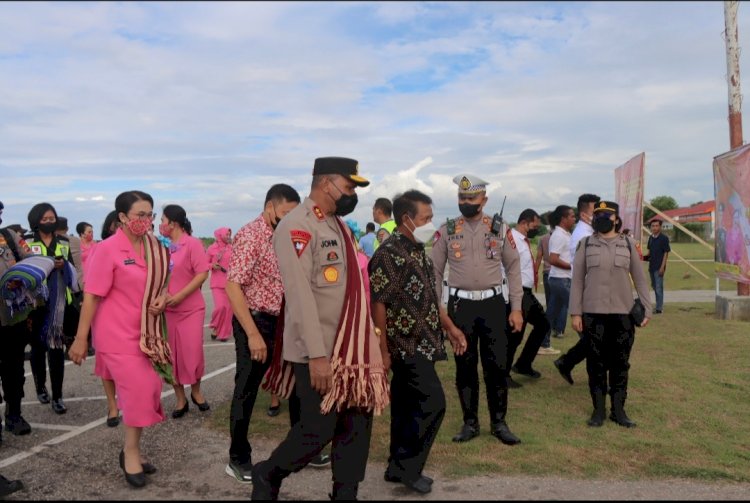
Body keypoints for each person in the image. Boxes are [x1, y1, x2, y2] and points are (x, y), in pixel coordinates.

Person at [252, 157, 389, 501]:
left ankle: (345, 493)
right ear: (326, 184)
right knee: (317, 429)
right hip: (321, 351)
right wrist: (317, 356)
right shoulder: (297, 226)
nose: (351, 194)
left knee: (356, 423)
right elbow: (299, 298)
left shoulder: (338, 224)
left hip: (351, 351)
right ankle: (269, 473)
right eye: (348, 187)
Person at [68, 190, 170, 488]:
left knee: (150, 388)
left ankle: (133, 448)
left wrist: (163, 299)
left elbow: (162, 283)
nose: (147, 220)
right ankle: (131, 452)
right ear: (122, 218)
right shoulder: (108, 249)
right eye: (140, 215)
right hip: (115, 333)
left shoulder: (155, 246)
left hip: (146, 331)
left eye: (150, 214)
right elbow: (92, 296)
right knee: (140, 389)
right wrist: (80, 338)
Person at [432, 174, 523, 446]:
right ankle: (470, 423)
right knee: (465, 366)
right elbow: (434, 271)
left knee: (496, 366)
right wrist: (440, 310)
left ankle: (499, 423)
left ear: (484, 199)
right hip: (461, 307)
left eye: (471, 198)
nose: (466, 202)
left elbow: (514, 267)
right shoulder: (447, 229)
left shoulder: (498, 228)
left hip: (494, 305)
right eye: (461, 198)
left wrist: (516, 308)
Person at [369, 189, 446, 495]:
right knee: (433, 404)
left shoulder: (417, 250)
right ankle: (410, 470)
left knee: (405, 408)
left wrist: (449, 328)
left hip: (424, 343)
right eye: (426, 218)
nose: (431, 224)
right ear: (406, 219)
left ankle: (396, 467)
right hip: (405, 346)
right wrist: (383, 351)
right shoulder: (388, 254)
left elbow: (429, 296)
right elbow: (379, 305)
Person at [224, 183, 302, 483]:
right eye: (285, 213)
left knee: (297, 383)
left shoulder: (285, 235)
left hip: (283, 321)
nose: (289, 219)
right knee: (247, 389)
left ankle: (300, 448)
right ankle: (238, 458)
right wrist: (253, 335)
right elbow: (233, 286)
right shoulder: (251, 234)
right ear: (270, 206)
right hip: (256, 322)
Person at [569, 201, 652, 427]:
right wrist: (575, 313)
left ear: (616, 219)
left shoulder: (628, 244)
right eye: (597, 215)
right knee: (595, 364)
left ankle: (618, 410)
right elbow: (576, 281)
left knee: (620, 364)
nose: (601, 219)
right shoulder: (585, 245)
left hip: (622, 315)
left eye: (606, 215)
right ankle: (598, 411)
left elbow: (640, 278)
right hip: (593, 315)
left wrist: (647, 308)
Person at [26, 202, 78, 414]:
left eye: (52, 218)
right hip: (35, 303)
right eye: (45, 219)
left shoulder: (64, 241)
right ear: (36, 220)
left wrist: (62, 265)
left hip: (59, 303)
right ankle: (40, 387)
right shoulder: (27, 242)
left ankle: (58, 395)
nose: (49, 222)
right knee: (37, 348)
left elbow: (72, 268)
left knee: (56, 349)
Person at [158, 204, 211, 417]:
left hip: (191, 309)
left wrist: (179, 296)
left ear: (174, 223)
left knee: (192, 353)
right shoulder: (161, 246)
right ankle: (180, 399)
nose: (160, 224)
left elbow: (202, 274)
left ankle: (196, 392)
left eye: (163, 220)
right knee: (172, 356)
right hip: (168, 311)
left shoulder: (192, 244)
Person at [551, 193, 600, 384]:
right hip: (586, 291)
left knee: (592, 337)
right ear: (584, 214)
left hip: (591, 290)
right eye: (595, 211)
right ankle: (570, 363)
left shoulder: (587, 232)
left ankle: (566, 362)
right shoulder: (583, 235)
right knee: (593, 337)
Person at [0, 201, 34, 437]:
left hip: (13, 316)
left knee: (14, 368)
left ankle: (14, 415)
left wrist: (23, 277)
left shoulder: (10, 236)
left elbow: (31, 261)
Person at [506, 209, 549, 386]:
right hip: (518, 292)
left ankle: (523, 363)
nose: (535, 229)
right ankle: (504, 373)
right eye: (534, 226)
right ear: (525, 223)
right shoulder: (512, 240)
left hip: (526, 293)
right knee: (515, 334)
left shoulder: (523, 241)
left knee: (543, 324)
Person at [540, 205, 576, 355]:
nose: (575, 219)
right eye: (572, 216)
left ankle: (543, 344)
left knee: (551, 315)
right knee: (577, 311)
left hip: (559, 279)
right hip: (561, 280)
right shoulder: (559, 236)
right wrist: (571, 267)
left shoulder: (565, 234)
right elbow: (553, 259)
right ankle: (591, 345)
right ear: (563, 219)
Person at [206, 227, 233, 342]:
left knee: (228, 310)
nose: (228, 237)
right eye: (226, 234)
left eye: (229, 235)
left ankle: (223, 334)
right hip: (217, 283)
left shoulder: (232, 248)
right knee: (220, 307)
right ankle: (215, 325)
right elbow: (203, 263)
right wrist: (212, 266)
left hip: (230, 283)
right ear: (220, 235)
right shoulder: (211, 249)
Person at [643, 219, 670, 314]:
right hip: (652, 267)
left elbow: (666, 253)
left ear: (660, 227)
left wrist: (662, 267)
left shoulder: (664, 238)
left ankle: (659, 308)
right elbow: (649, 252)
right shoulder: (650, 238)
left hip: (659, 267)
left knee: (658, 288)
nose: (654, 227)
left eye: (656, 225)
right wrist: (642, 257)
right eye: (653, 226)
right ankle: (658, 305)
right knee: (654, 286)